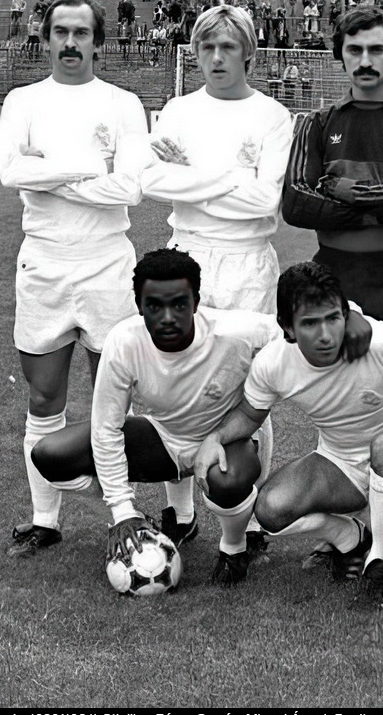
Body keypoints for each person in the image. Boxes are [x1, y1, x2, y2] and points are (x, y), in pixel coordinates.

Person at [282, 7, 383, 566]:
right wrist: (378, 203)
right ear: (340, 56)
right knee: (342, 392)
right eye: (355, 50)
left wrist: (341, 191)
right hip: (337, 276)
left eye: (377, 49)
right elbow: (295, 203)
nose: (366, 60)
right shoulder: (316, 122)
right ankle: (354, 529)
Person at [206, 262, 383, 605]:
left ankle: (380, 565)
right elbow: (248, 414)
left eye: (333, 318)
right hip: (341, 463)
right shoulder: (273, 363)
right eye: (310, 323)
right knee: (271, 509)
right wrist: (214, 439)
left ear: (346, 314)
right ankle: (351, 537)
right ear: (287, 327)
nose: (326, 334)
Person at [0, 0, 149, 557]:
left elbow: (130, 187)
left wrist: (47, 174)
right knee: (43, 399)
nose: (69, 42)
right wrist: (90, 168)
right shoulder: (22, 101)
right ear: (45, 39)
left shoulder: (124, 104)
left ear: (98, 42)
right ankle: (45, 521)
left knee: (117, 403)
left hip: (108, 264)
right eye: (60, 31)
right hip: (44, 263)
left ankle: (125, 516)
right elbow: (10, 171)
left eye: (81, 32)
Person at [28, 249, 282, 583]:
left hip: (229, 441)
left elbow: (293, 337)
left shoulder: (241, 332)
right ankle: (139, 522)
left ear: (196, 301)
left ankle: (233, 548)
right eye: (154, 306)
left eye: (179, 305)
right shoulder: (124, 342)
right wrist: (122, 510)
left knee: (227, 479)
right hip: (166, 438)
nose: (167, 317)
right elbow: (106, 428)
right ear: (139, 306)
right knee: (50, 455)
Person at [138, 4, 293, 540]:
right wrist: (231, 181)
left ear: (249, 52)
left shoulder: (272, 115)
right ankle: (179, 514)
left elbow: (265, 201)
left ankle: (245, 522)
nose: (218, 57)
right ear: (195, 52)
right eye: (208, 47)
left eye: (229, 46)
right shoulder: (178, 109)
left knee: (252, 390)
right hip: (188, 255)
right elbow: (152, 183)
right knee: (176, 380)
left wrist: (193, 175)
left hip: (249, 262)